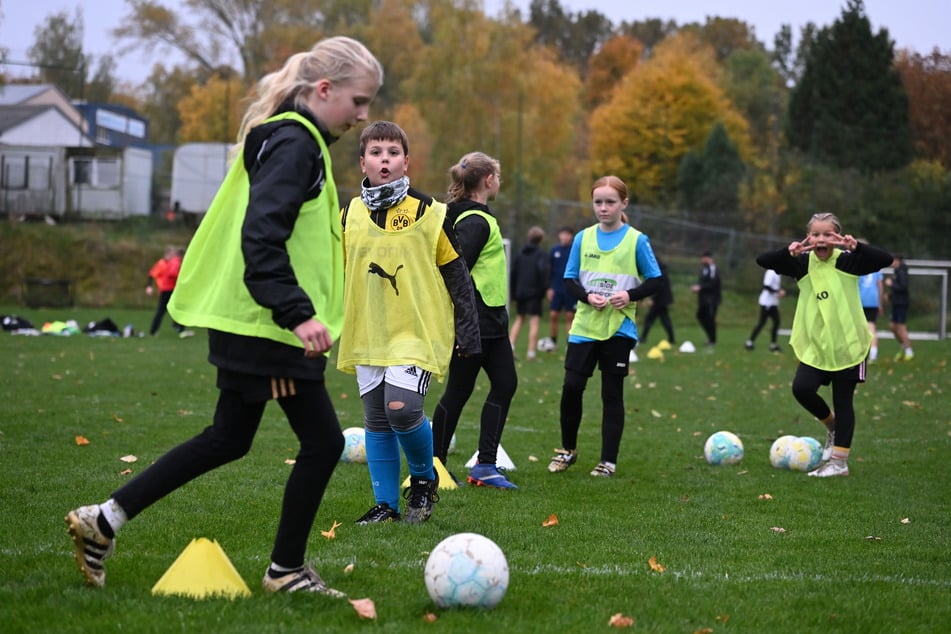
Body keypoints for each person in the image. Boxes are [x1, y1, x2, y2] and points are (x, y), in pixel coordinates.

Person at [65, 36, 384, 596]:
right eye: (359, 101)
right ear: (325, 90)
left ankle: (105, 519)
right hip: (271, 328)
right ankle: (286, 570)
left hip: (254, 323)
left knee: (228, 437)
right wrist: (296, 313)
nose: (364, 116)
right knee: (323, 443)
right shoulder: (297, 145)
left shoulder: (288, 137)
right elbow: (261, 235)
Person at [337, 122, 481, 524]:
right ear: (362, 161)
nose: (385, 159)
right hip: (368, 331)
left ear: (406, 161)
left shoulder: (431, 213)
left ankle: (422, 479)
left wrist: (468, 334)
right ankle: (386, 505)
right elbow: (334, 274)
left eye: (393, 152)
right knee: (377, 419)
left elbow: (458, 276)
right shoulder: (347, 214)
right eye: (376, 152)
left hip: (417, 331)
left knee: (402, 409)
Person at [756, 212, 892, 477]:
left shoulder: (849, 262)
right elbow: (763, 260)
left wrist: (857, 247)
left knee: (844, 402)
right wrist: (789, 252)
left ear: (837, 237)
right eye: (815, 234)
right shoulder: (802, 263)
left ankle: (839, 464)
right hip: (816, 347)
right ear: (809, 237)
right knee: (802, 388)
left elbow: (885, 260)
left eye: (827, 234)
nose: (821, 239)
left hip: (849, 346)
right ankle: (832, 427)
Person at [547, 175, 663, 478]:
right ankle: (567, 450)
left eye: (610, 202)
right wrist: (586, 296)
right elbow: (569, 279)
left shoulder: (637, 240)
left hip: (618, 328)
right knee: (572, 387)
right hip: (585, 325)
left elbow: (657, 280)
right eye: (598, 202)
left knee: (611, 394)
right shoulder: (582, 238)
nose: (603, 208)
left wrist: (630, 295)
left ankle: (608, 461)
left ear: (623, 203)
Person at [432, 152, 519, 490]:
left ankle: (485, 464)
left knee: (505, 384)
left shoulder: (476, 216)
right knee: (459, 390)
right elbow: (454, 270)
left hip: (493, 320)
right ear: (488, 180)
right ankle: (435, 464)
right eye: (498, 176)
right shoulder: (475, 221)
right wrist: (460, 323)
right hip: (476, 321)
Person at [508, 225, 549, 360]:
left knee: (520, 318)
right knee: (534, 320)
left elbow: (513, 273)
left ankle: (510, 347)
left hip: (520, 292)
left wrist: (513, 293)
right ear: (541, 239)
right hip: (534, 293)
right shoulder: (541, 255)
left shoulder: (520, 253)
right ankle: (531, 353)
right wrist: (544, 290)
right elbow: (543, 273)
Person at [539, 226, 577, 351]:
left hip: (570, 290)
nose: (565, 237)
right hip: (556, 289)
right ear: (559, 236)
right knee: (553, 315)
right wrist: (549, 288)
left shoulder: (575, 250)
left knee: (569, 316)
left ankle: (569, 343)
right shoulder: (554, 250)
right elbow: (549, 270)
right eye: (563, 234)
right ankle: (553, 342)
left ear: (571, 236)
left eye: (567, 234)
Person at [145, 246, 191, 337]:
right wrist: (181, 277)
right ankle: (179, 327)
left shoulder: (170, 262)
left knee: (172, 308)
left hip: (167, 289)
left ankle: (176, 326)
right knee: (177, 308)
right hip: (168, 289)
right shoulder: (172, 262)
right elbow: (170, 274)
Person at [744, 268, 784, 352]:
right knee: (763, 322)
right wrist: (777, 292)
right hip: (767, 302)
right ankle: (750, 342)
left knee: (775, 322)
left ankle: (772, 344)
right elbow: (766, 286)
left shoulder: (777, 272)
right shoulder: (771, 272)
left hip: (773, 302)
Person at [639, 257, 675, 345]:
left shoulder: (658, 272)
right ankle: (671, 339)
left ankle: (643, 338)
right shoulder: (662, 271)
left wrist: (652, 299)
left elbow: (656, 287)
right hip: (662, 300)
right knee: (663, 319)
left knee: (651, 319)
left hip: (660, 300)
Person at [885, 254, 914, 361]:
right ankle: (903, 346)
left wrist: (891, 284)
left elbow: (903, 287)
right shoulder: (897, 271)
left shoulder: (901, 271)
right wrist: (890, 296)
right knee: (892, 326)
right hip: (896, 303)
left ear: (897, 261)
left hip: (901, 304)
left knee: (900, 327)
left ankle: (909, 351)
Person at [691, 251, 721, 348]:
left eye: (704, 258)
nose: (702, 260)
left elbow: (714, 283)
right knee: (700, 316)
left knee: (710, 319)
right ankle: (710, 337)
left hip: (712, 299)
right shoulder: (704, 269)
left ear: (709, 258)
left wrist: (700, 287)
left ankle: (712, 340)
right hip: (703, 299)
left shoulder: (713, 269)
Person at [858, 266, 884, 362]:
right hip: (873, 300)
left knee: (861, 328)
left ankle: (862, 353)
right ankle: (873, 353)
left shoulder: (858, 266)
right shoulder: (876, 267)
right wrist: (880, 303)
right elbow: (880, 286)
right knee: (871, 327)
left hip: (861, 300)